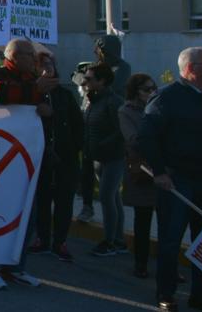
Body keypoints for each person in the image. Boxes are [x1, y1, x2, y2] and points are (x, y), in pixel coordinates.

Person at [139, 47, 202, 312]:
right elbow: (146, 137)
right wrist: (159, 171)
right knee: (171, 241)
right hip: (177, 182)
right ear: (192, 69)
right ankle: (166, 295)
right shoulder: (166, 98)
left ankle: (201, 296)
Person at [0, 38, 57, 291]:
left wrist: (45, 106)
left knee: (27, 212)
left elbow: (47, 108)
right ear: (15, 56)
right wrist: (36, 91)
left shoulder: (32, 79)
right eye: (30, 55)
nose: (34, 59)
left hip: (28, 157)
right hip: (2, 158)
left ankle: (15, 266)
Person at [28, 47, 83, 262]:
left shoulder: (65, 96)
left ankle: (60, 241)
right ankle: (42, 238)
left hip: (64, 159)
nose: (46, 70)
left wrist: (73, 150)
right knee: (41, 200)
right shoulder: (31, 95)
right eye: (41, 66)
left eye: (49, 66)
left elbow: (78, 126)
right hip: (39, 159)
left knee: (63, 202)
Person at [82, 62, 125, 257]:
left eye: (90, 79)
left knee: (107, 197)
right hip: (98, 157)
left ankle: (110, 241)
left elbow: (120, 130)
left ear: (102, 81)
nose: (85, 81)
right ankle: (118, 240)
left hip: (113, 156)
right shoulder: (94, 100)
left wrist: (103, 144)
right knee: (113, 197)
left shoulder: (113, 102)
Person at [119, 73, 159, 279]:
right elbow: (133, 139)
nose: (151, 93)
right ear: (135, 92)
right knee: (143, 221)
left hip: (163, 170)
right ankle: (140, 263)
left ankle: (167, 267)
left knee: (168, 221)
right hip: (141, 170)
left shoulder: (159, 108)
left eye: (153, 89)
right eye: (146, 89)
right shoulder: (126, 111)